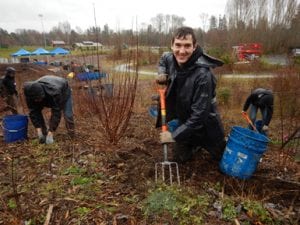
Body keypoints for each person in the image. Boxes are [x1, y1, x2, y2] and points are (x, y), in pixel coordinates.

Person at [156, 26, 226, 163]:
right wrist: (161, 72)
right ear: (172, 45)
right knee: (180, 158)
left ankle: (209, 145)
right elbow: (163, 59)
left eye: (187, 46)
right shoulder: (170, 58)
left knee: (222, 161)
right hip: (185, 121)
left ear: (194, 47)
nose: (181, 51)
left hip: (206, 126)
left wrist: (174, 136)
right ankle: (193, 146)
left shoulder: (203, 76)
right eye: (178, 45)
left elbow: (199, 116)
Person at [23, 75, 75, 144]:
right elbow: (34, 112)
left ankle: (71, 134)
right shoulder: (30, 93)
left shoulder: (55, 93)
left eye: (39, 99)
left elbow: (56, 113)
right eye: (36, 99)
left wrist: (51, 132)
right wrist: (38, 129)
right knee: (36, 110)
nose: (38, 101)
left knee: (68, 114)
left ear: (43, 94)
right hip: (47, 86)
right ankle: (44, 134)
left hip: (64, 91)